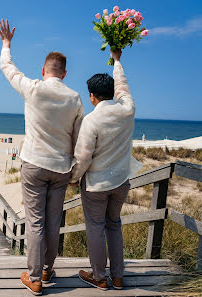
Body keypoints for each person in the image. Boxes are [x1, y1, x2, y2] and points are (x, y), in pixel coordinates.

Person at [0, 19, 84, 296]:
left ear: (43, 70)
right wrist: (77, 172)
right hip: (60, 168)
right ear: (65, 73)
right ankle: (47, 268)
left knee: (35, 221)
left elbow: (7, 68)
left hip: (34, 164)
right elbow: (78, 138)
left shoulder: (33, 88)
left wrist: (6, 43)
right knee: (53, 219)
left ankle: (35, 278)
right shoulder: (75, 98)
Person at [70, 49, 142, 291]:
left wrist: (74, 177)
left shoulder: (91, 120)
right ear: (111, 93)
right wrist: (117, 60)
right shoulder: (127, 110)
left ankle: (99, 276)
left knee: (96, 229)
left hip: (97, 185)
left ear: (91, 96)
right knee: (114, 225)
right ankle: (118, 277)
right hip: (121, 181)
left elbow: (83, 156)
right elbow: (123, 86)